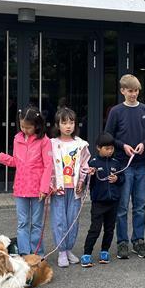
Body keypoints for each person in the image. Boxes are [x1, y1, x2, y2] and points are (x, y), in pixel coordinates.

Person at [0, 106, 52, 256]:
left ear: (37, 125)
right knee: (22, 223)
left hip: (37, 189)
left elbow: (49, 165)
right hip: (21, 187)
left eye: (28, 127)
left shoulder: (44, 141)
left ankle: (37, 254)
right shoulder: (17, 138)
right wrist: (1, 157)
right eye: (22, 126)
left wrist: (44, 188)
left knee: (36, 224)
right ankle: (24, 254)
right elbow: (16, 162)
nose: (25, 130)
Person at [104, 74, 145, 259]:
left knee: (140, 205)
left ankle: (138, 241)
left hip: (141, 165)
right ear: (122, 91)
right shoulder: (116, 111)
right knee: (123, 206)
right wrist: (122, 146)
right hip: (123, 166)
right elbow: (108, 136)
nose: (133, 94)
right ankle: (122, 242)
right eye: (130, 91)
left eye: (136, 91)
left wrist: (144, 144)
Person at [50, 107, 91, 268]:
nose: (68, 126)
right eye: (64, 122)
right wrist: (50, 185)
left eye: (71, 122)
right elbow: (48, 167)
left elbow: (84, 164)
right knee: (59, 220)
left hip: (75, 189)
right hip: (58, 188)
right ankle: (61, 251)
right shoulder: (52, 144)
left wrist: (83, 179)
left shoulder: (81, 144)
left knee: (73, 219)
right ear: (57, 124)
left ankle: (68, 250)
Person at [80, 133, 125, 268]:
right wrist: (90, 175)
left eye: (111, 148)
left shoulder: (116, 163)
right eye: (106, 148)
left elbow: (123, 179)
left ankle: (104, 251)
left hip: (113, 202)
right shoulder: (92, 163)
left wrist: (117, 179)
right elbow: (88, 182)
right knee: (95, 228)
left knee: (110, 229)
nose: (110, 151)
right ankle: (87, 254)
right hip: (98, 202)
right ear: (98, 148)